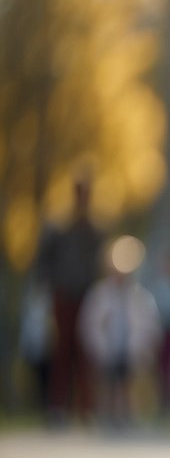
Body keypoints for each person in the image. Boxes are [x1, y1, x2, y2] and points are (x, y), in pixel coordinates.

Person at [33, 175, 104, 425]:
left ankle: (86, 408)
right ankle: (57, 406)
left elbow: (101, 260)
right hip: (63, 293)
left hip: (87, 295)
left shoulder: (95, 227)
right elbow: (44, 259)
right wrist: (45, 287)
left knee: (86, 351)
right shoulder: (59, 225)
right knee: (61, 350)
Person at [78, 236, 162, 428]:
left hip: (130, 350)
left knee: (127, 383)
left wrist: (142, 349)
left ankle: (127, 415)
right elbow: (90, 325)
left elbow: (150, 327)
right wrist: (97, 348)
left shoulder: (140, 297)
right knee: (106, 383)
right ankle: (105, 415)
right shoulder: (99, 295)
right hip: (107, 348)